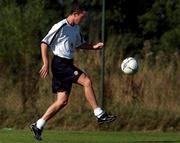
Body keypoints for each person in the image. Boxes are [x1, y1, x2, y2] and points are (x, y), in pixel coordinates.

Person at [30, 1, 116, 141]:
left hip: (66, 64)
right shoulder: (60, 26)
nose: (83, 20)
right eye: (82, 17)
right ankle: (99, 114)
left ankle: (38, 125)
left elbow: (80, 43)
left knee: (62, 101)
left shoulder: (75, 28)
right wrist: (45, 63)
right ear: (75, 14)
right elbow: (44, 43)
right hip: (60, 64)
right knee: (87, 81)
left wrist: (94, 47)